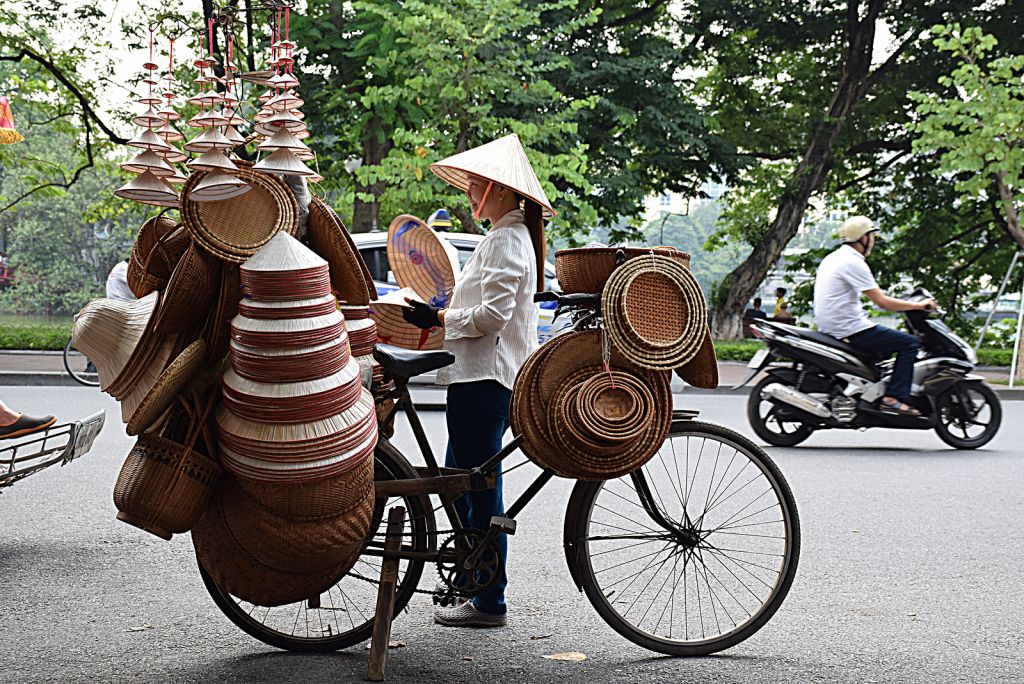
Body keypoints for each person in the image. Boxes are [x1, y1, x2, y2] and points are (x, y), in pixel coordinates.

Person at [402, 134, 550, 628]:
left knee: (480, 490)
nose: (469, 194)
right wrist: (441, 313)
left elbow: (492, 315)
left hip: (485, 381)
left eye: (476, 186)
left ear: (501, 191)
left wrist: (441, 320)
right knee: (460, 485)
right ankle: (472, 582)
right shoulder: (505, 236)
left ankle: (489, 600)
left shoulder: (509, 237)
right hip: (476, 378)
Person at [813, 215, 936, 416]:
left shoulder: (834, 257)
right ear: (863, 238)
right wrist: (918, 306)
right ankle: (892, 399)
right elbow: (882, 302)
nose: (874, 241)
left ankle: (869, 393)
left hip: (833, 325)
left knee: (884, 352)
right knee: (909, 343)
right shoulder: (853, 262)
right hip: (850, 327)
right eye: (872, 236)